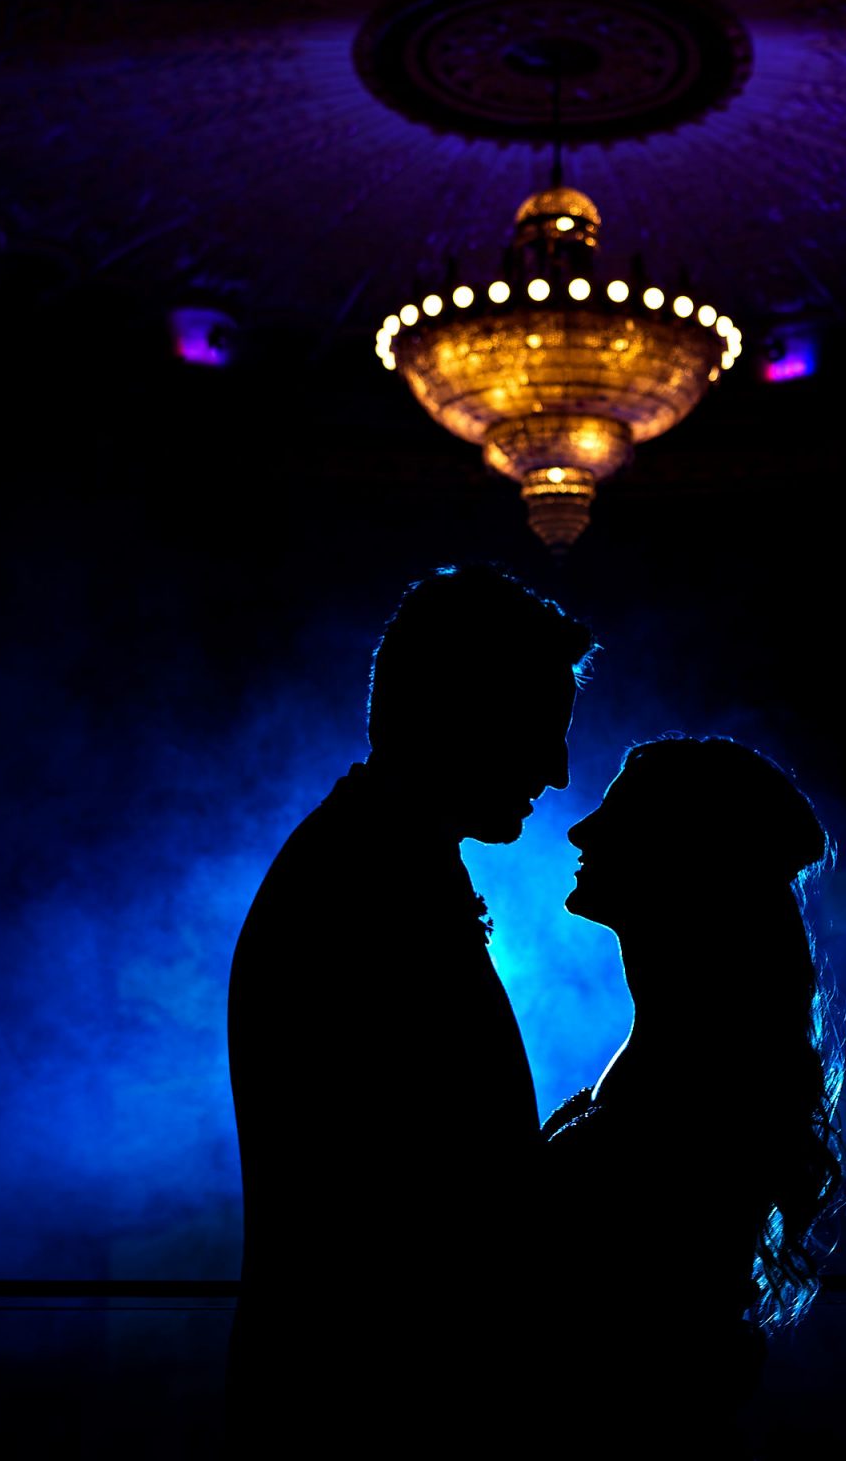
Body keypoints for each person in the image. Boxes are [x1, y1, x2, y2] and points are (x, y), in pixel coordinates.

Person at [225, 565, 596, 1453]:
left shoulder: (369, 860)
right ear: (458, 707)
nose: (557, 768)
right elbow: (435, 1186)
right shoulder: (367, 884)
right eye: (540, 728)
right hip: (380, 1407)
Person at [541, 735, 846, 1450]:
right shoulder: (695, 1048)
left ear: (685, 857)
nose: (581, 828)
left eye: (617, 815)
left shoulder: (697, 1073)